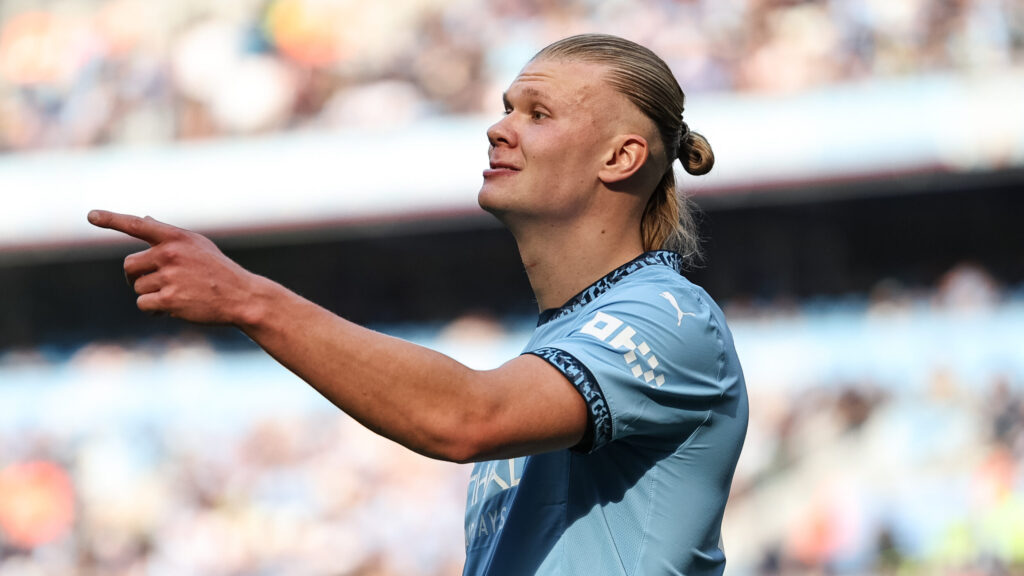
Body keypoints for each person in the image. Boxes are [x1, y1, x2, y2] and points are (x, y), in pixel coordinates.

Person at [89, 33, 747, 576]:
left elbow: (463, 417)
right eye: (507, 107)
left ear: (621, 156)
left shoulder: (668, 317)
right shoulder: (566, 339)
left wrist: (247, 298)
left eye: (536, 114)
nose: (499, 127)